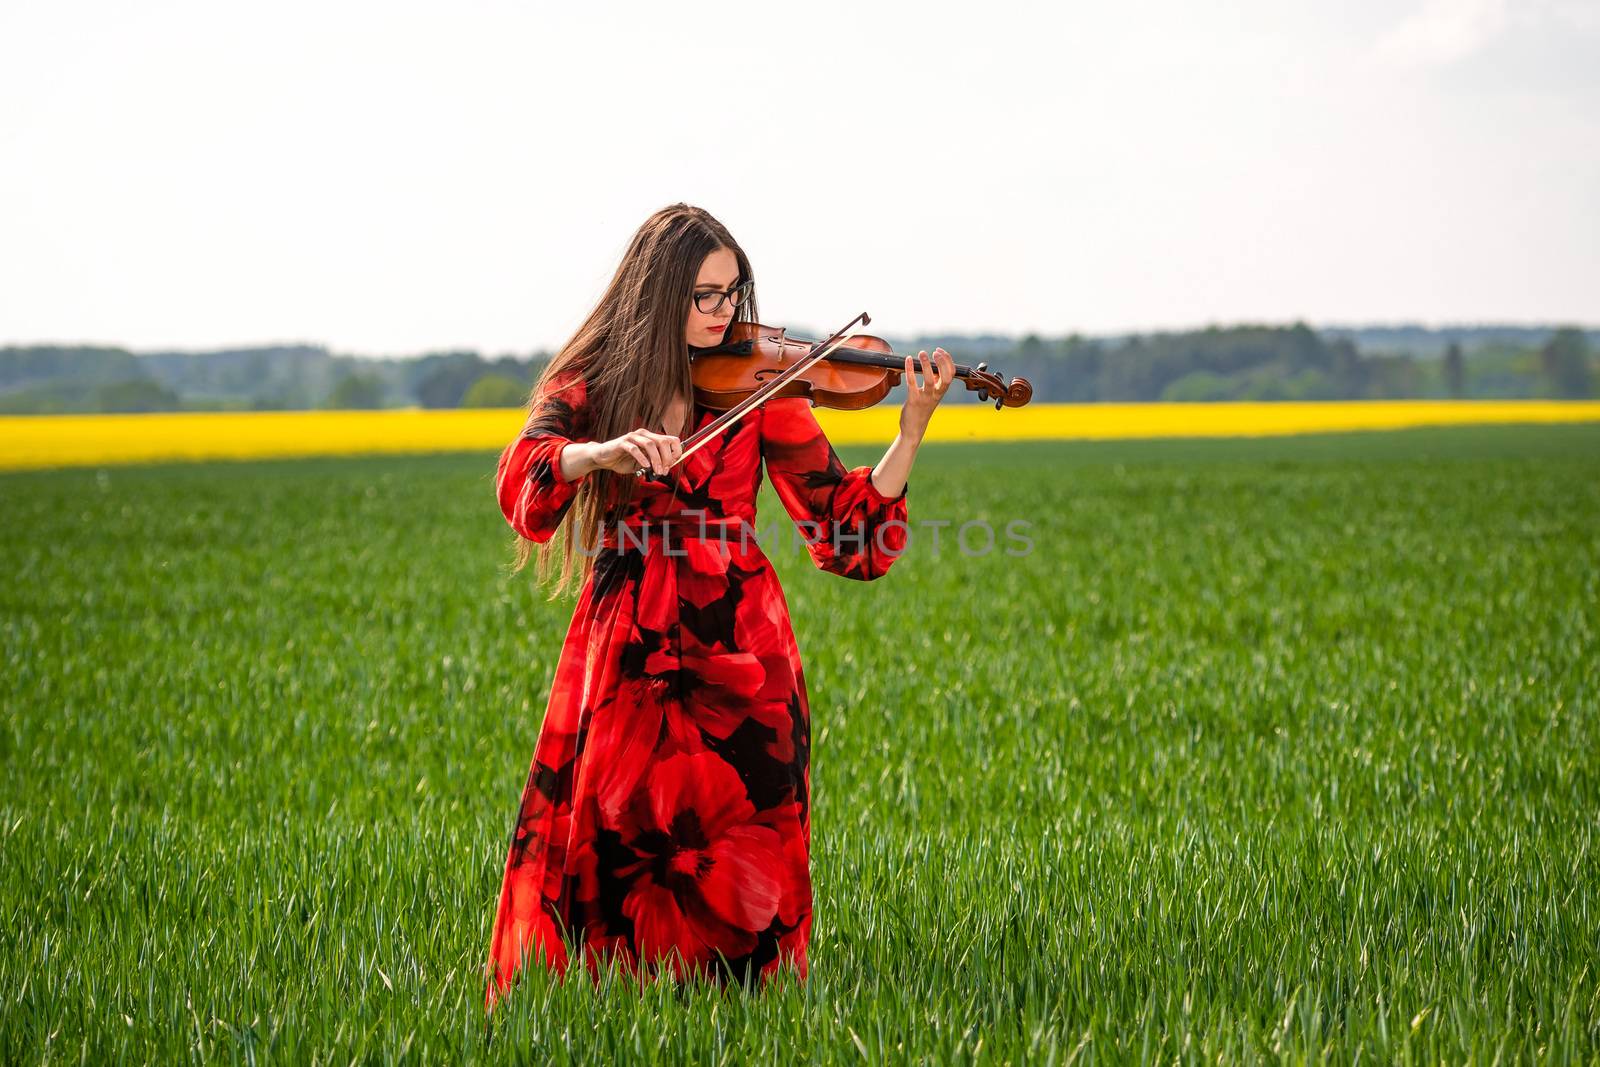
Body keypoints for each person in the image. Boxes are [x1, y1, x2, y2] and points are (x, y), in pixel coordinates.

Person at [483, 203, 955, 1014]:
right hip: (629, 637)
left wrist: (909, 430)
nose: (726, 314)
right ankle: (612, 1018)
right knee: (624, 834)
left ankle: (747, 1020)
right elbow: (524, 478)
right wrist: (598, 453)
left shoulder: (766, 387)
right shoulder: (596, 382)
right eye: (705, 296)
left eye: (733, 295)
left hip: (742, 641)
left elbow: (847, 535)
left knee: (746, 838)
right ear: (659, 293)